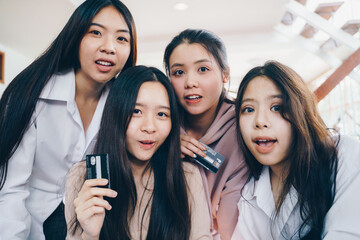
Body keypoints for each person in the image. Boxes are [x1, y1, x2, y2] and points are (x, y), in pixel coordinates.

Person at [0, 0, 137, 239]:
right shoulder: (31, 94)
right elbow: (10, 190)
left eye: (121, 39)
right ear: (75, 36)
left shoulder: (122, 106)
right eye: (96, 32)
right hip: (26, 223)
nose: (109, 47)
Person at [64, 65, 211, 240]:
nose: (149, 127)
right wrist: (90, 234)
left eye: (162, 114)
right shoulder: (82, 177)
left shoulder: (187, 177)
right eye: (136, 111)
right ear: (115, 113)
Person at [232, 61, 360, 239]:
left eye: (276, 107)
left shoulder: (342, 154)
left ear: (301, 111)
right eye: (248, 109)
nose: (260, 121)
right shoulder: (250, 194)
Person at [163, 29, 249, 239]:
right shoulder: (160, 127)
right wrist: (164, 147)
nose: (190, 82)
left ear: (225, 74)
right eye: (178, 72)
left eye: (202, 69)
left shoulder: (244, 128)